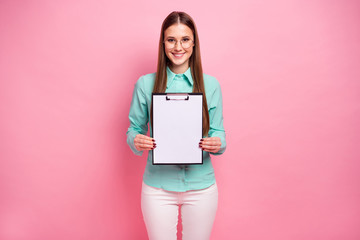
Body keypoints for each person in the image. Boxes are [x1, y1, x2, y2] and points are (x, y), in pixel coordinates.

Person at [126, 11, 226, 240]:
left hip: (201, 188)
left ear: (194, 43)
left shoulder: (210, 85)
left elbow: (220, 134)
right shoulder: (145, 84)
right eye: (171, 40)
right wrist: (137, 140)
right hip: (158, 188)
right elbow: (133, 130)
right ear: (163, 43)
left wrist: (216, 143)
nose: (178, 47)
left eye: (185, 39)